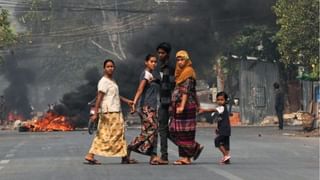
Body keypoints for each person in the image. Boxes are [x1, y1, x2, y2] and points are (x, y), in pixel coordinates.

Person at [84, 59, 134, 165]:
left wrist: (127, 101)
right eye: (108, 66)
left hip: (115, 110)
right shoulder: (103, 82)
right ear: (104, 68)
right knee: (106, 135)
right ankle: (91, 155)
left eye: (112, 66)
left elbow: (114, 95)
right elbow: (99, 97)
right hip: (109, 112)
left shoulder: (112, 81)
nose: (110, 68)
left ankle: (124, 157)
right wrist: (95, 113)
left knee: (119, 134)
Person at [169, 50, 204, 165]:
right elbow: (194, 92)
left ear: (187, 60)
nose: (179, 62)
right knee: (177, 131)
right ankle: (187, 154)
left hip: (186, 106)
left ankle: (187, 156)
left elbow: (186, 91)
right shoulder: (179, 73)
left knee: (184, 132)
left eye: (182, 59)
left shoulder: (188, 72)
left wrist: (182, 106)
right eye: (178, 60)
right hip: (179, 106)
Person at [126, 54, 161, 165]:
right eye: (151, 61)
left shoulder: (152, 75)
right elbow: (140, 89)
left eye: (155, 62)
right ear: (146, 62)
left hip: (152, 107)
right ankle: (129, 147)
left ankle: (153, 157)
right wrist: (134, 103)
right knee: (151, 130)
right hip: (146, 107)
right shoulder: (146, 74)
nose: (154, 64)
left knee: (154, 132)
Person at [199, 91, 231, 164]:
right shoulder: (222, 108)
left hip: (224, 129)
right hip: (225, 128)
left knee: (217, 141)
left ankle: (226, 155)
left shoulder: (222, 108)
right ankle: (226, 159)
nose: (219, 101)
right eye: (218, 100)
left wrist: (203, 110)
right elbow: (220, 120)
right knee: (225, 144)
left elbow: (213, 109)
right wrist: (218, 127)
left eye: (222, 100)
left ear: (225, 101)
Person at [156, 42, 175, 164]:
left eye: (162, 53)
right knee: (165, 130)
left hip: (166, 102)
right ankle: (192, 148)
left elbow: (170, 86)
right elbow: (164, 84)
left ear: (167, 54)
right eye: (158, 53)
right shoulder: (163, 67)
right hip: (164, 101)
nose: (159, 55)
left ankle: (164, 157)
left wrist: (169, 104)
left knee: (162, 129)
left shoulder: (168, 68)